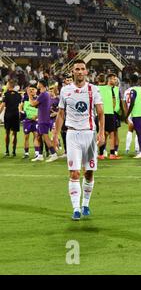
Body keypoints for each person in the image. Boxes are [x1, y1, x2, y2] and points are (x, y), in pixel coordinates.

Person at [53, 60, 105, 220]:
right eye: (77, 69)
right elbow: (61, 114)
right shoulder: (65, 90)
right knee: (74, 172)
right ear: (72, 71)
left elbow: (100, 113)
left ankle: (85, 204)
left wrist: (101, 133)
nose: (80, 71)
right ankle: (76, 208)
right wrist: (55, 135)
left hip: (89, 134)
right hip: (72, 134)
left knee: (88, 173)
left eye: (83, 69)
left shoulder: (93, 89)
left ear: (86, 71)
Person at [28, 79, 59, 162]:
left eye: (38, 83)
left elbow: (33, 104)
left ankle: (53, 154)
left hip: (43, 119)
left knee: (45, 137)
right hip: (43, 118)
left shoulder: (43, 94)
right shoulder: (46, 94)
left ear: (41, 84)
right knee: (38, 136)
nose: (37, 85)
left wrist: (29, 95)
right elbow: (38, 105)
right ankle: (40, 155)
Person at [98, 73, 120, 160]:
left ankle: (109, 153)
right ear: (108, 80)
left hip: (112, 113)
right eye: (111, 78)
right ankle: (102, 153)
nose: (113, 80)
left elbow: (117, 101)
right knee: (104, 133)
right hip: (104, 113)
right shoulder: (101, 88)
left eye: (114, 79)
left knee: (111, 133)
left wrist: (117, 111)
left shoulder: (117, 89)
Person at [125, 78, 141, 159]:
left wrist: (127, 115)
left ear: (131, 82)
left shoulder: (133, 90)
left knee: (139, 133)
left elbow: (132, 103)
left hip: (136, 114)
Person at [0, 80, 22, 157]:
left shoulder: (5, 94)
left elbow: (2, 106)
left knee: (7, 132)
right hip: (15, 114)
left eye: (6, 84)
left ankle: (7, 151)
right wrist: (19, 113)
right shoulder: (18, 95)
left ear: (9, 85)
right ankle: (13, 151)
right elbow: (20, 106)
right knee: (14, 134)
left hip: (8, 115)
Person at [19, 83, 39, 159]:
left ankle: (37, 153)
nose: (31, 91)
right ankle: (26, 153)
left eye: (33, 89)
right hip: (27, 120)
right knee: (26, 137)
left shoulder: (38, 98)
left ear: (36, 90)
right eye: (30, 90)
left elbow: (41, 110)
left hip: (35, 120)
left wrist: (37, 116)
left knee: (36, 136)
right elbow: (20, 105)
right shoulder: (25, 97)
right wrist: (21, 111)